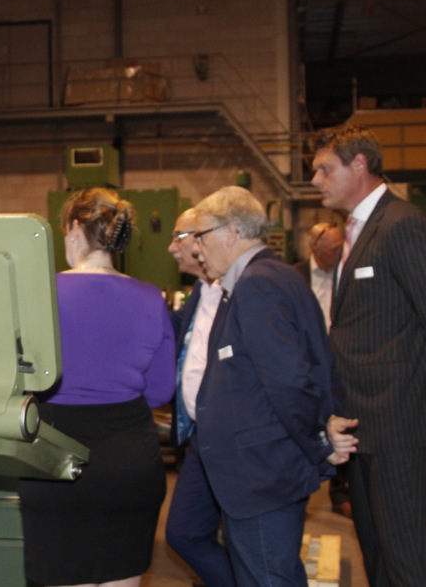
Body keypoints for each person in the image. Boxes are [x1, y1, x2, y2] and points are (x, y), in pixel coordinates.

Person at [310, 124, 426, 587]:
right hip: (362, 423)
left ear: (359, 164)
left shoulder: (401, 224)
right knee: (377, 556)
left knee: (407, 563)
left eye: (325, 169)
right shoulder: (357, 230)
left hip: (400, 424)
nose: (316, 180)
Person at [184, 186, 354, 586]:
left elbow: (289, 378)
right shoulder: (272, 277)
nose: (195, 249)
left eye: (201, 236)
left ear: (231, 233)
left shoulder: (258, 285)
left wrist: (319, 440)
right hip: (262, 472)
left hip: (262, 476)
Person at [18, 187, 176, 587]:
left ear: (74, 229)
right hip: (130, 463)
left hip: (55, 457)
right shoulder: (150, 297)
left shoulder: (39, 293)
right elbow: (160, 390)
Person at [163, 208, 235, 586]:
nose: (171, 247)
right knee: (184, 532)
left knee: (247, 543)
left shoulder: (237, 291)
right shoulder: (199, 293)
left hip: (234, 440)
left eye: (179, 237)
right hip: (201, 438)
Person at [294, 222, 353, 519]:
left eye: (341, 248)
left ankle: (340, 492)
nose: (338, 254)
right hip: (308, 361)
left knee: (341, 422)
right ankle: (299, 492)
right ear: (315, 249)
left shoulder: (348, 272)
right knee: (306, 421)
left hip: (341, 359)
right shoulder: (294, 276)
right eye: (333, 250)